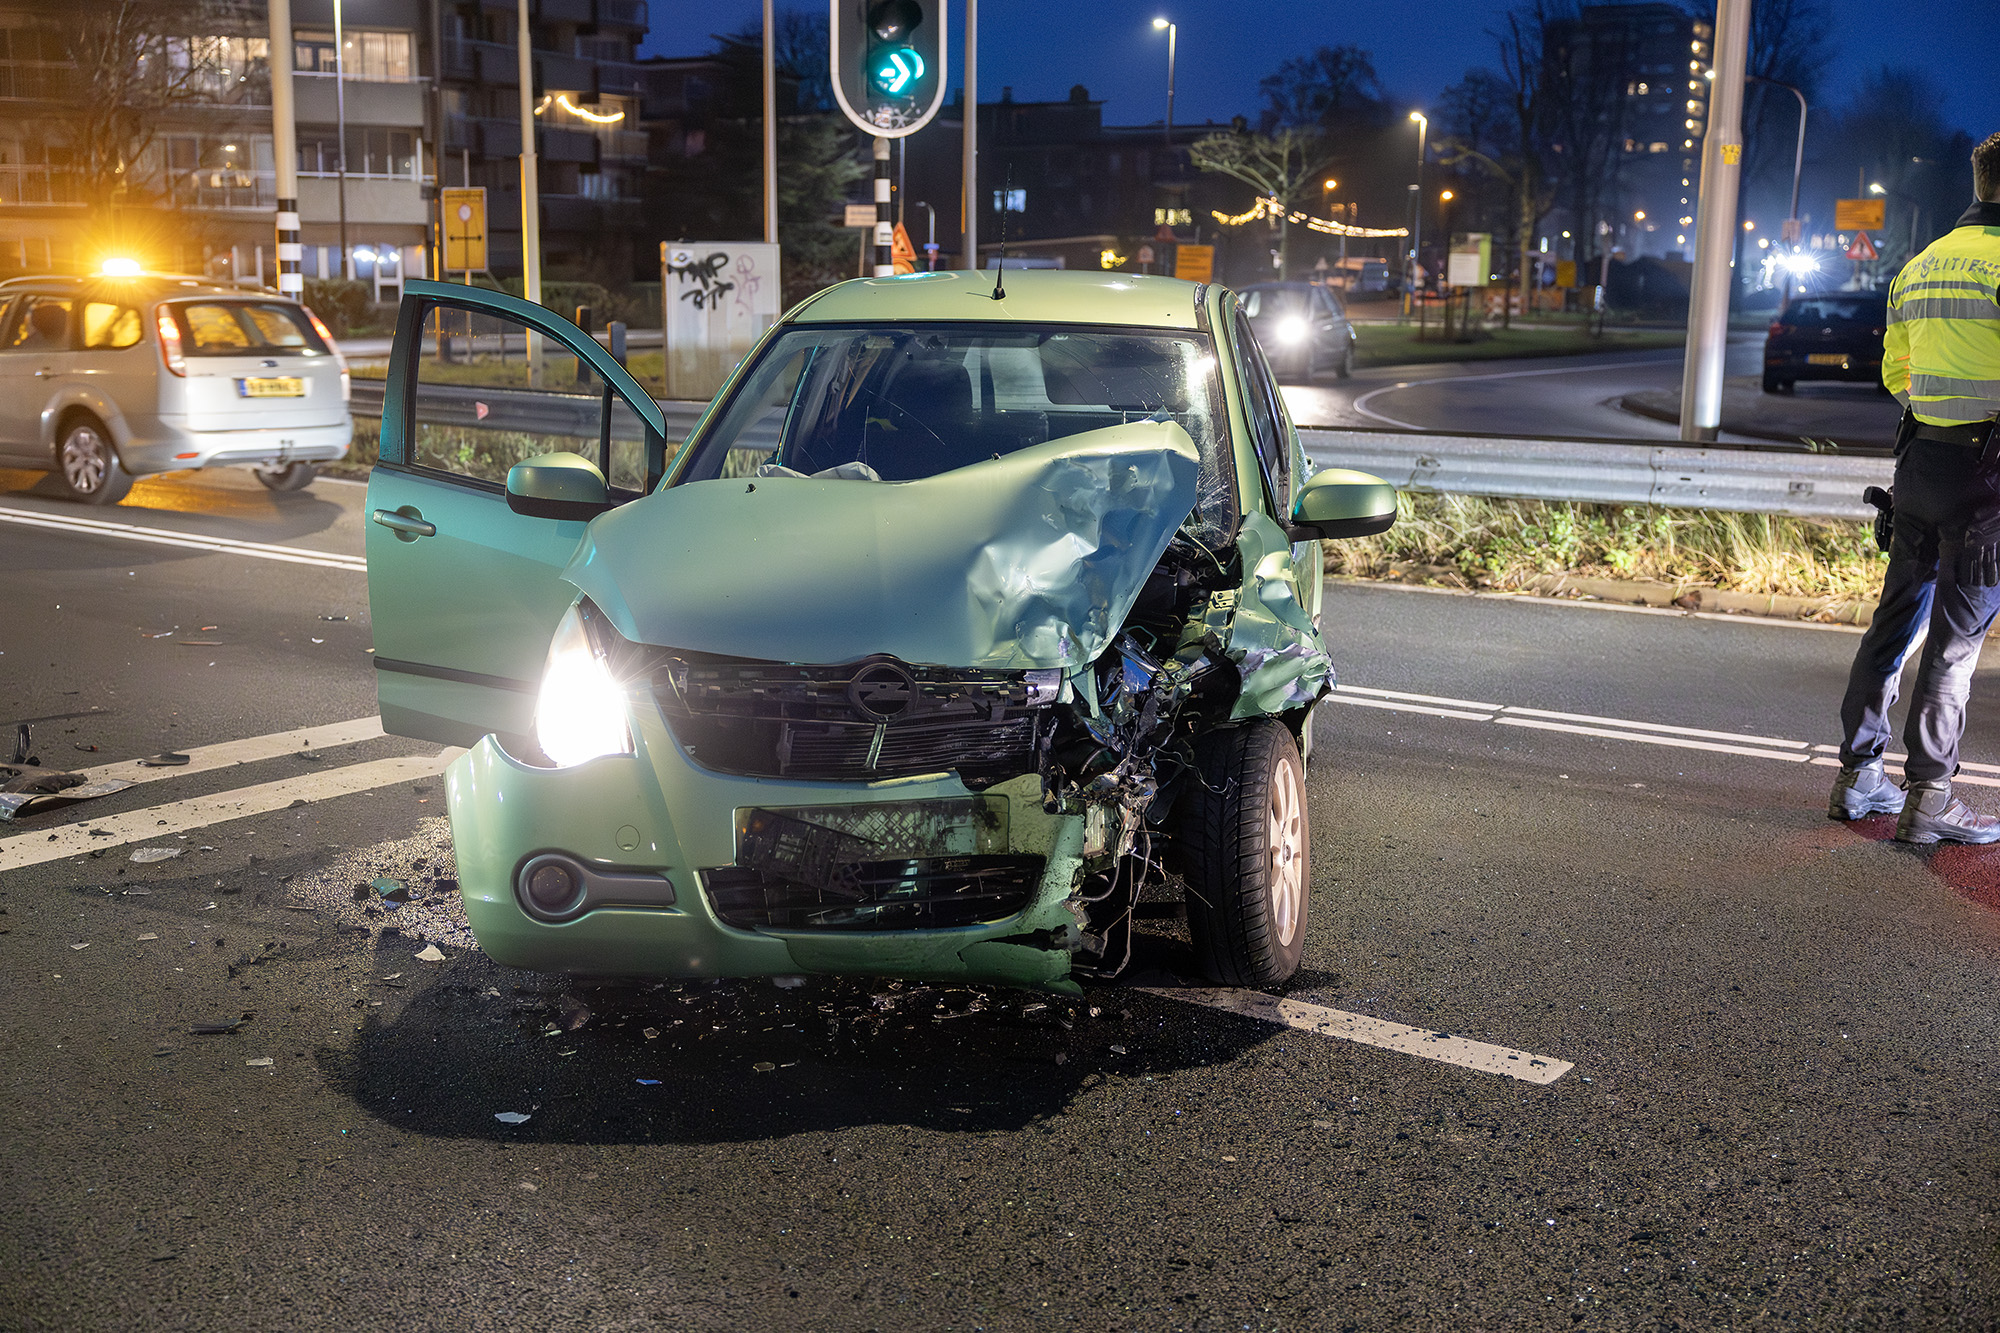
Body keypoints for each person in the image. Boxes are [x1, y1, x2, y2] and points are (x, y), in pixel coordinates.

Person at [1831, 131, 2000, 843]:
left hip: (1919, 465)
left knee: (1896, 622)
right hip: (1988, 473)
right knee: (1957, 643)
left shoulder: (1921, 265)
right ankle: (1930, 796)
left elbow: (1897, 376)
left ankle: (1858, 775)